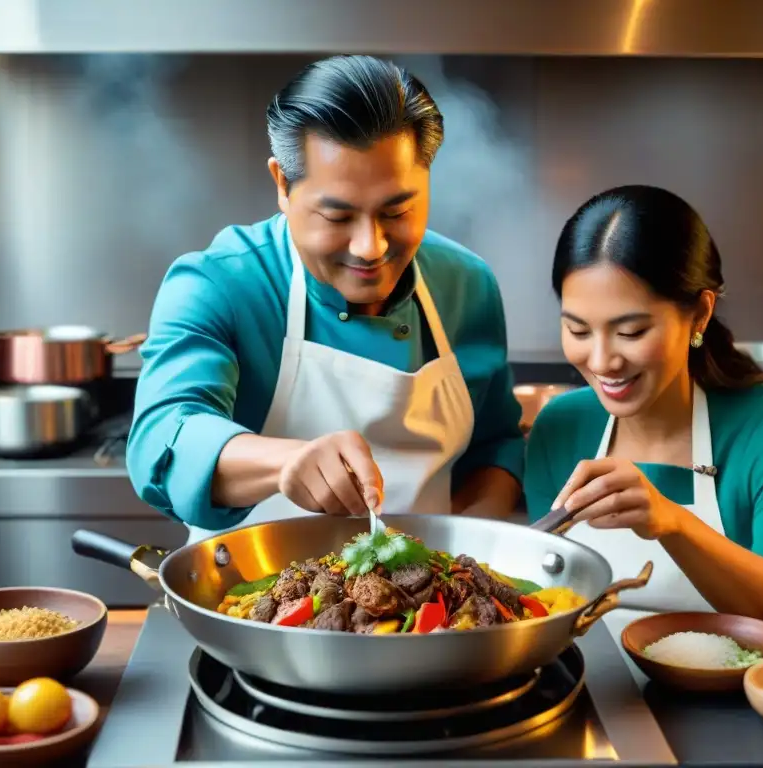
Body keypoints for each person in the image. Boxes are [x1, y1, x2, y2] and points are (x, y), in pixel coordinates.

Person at [127, 55, 525, 545]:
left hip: (437, 616)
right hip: (251, 605)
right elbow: (164, 439)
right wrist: (286, 462)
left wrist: (472, 553)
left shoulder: (467, 285)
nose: (370, 247)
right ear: (282, 185)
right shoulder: (219, 283)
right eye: (337, 217)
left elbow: (495, 446)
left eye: (397, 210)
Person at [525, 185, 763, 656]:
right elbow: (544, 601)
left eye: (631, 331)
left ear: (700, 314)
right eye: (578, 330)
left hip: (733, 715)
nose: (603, 360)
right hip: (591, 710)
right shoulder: (560, 428)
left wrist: (672, 523)